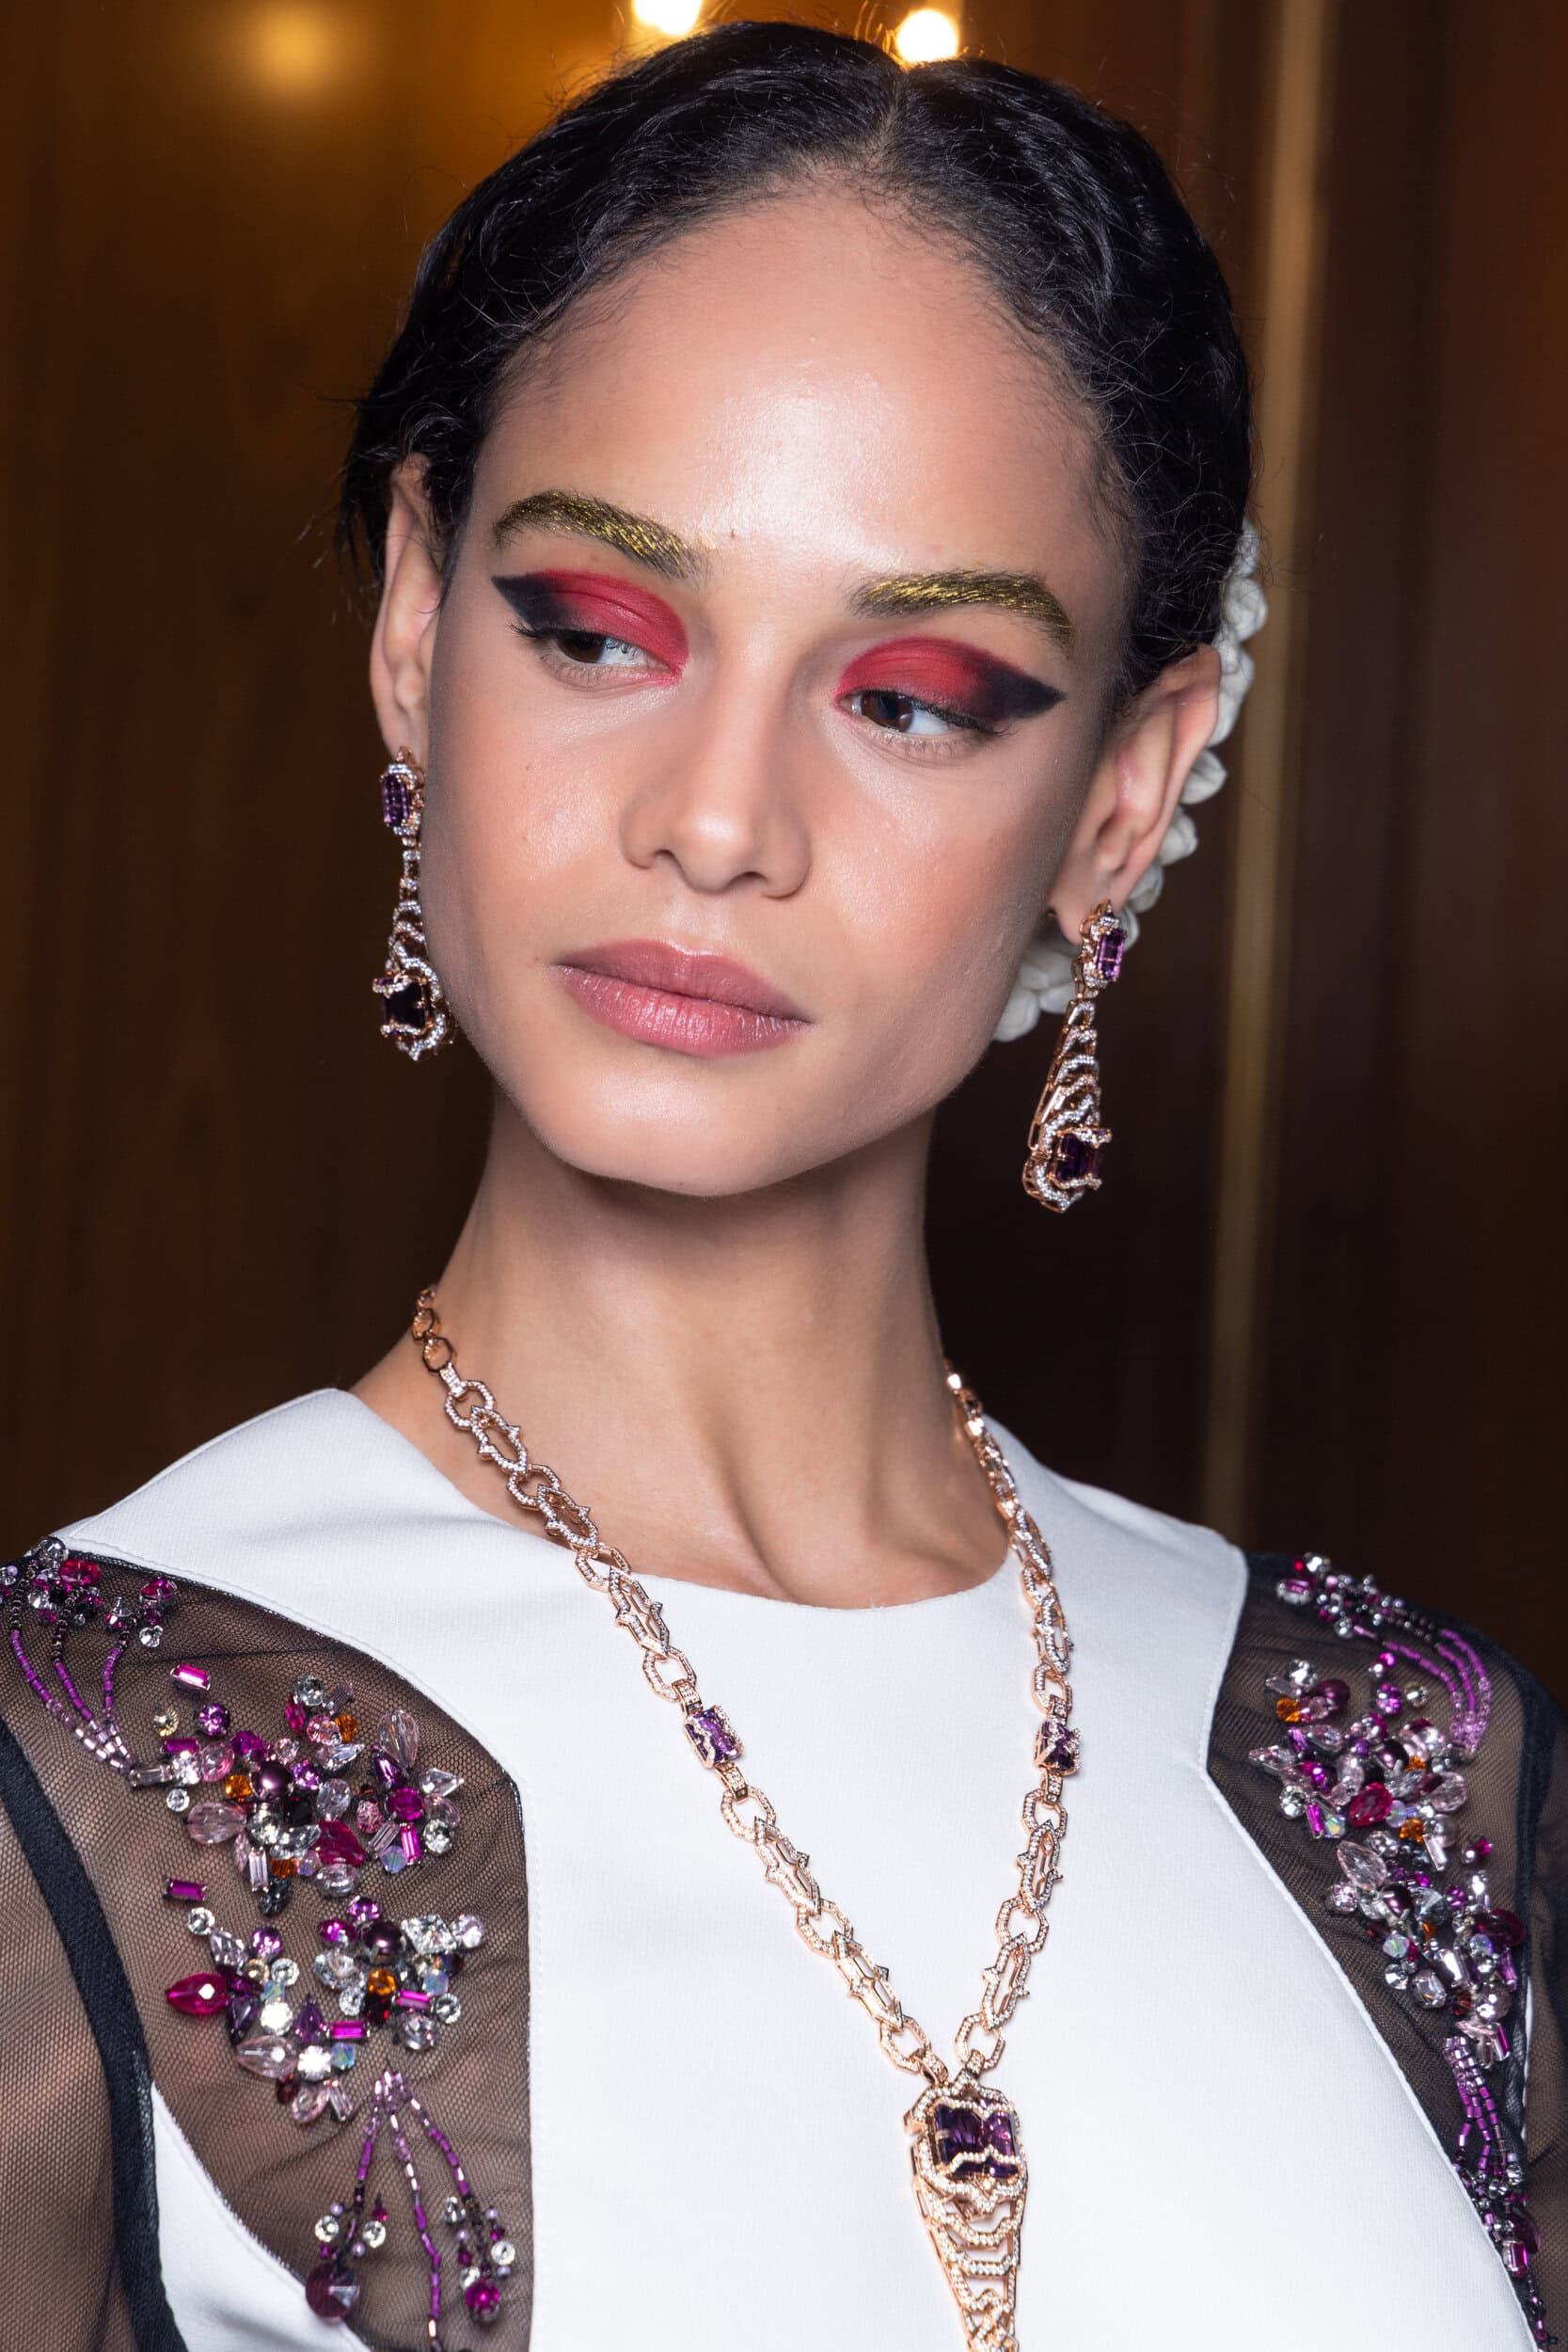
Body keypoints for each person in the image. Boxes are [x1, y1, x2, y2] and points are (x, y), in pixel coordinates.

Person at [3, 22, 1560, 2351]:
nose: (718, 821)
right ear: (418, 622)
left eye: (909, 692)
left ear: (1124, 796)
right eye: (599, 629)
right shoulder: (78, 1758)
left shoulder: (1414, 1763)